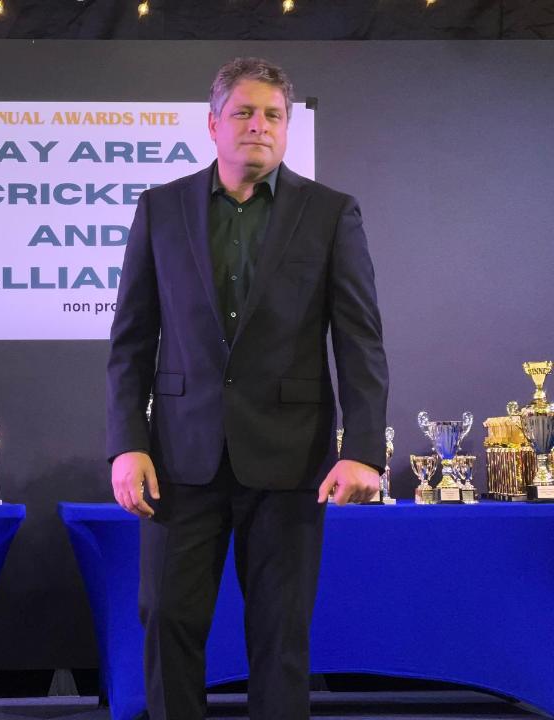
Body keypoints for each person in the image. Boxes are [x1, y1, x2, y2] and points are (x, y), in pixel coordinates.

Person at [106, 57, 389, 720]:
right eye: (243, 112)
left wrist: (363, 450)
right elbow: (130, 341)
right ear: (213, 124)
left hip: (291, 462)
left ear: (287, 128)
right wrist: (127, 443)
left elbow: (359, 341)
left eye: (273, 115)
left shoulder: (331, 214)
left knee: (280, 637)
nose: (259, 125)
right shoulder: (160, 209)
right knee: (167, 621)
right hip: (180, 460)